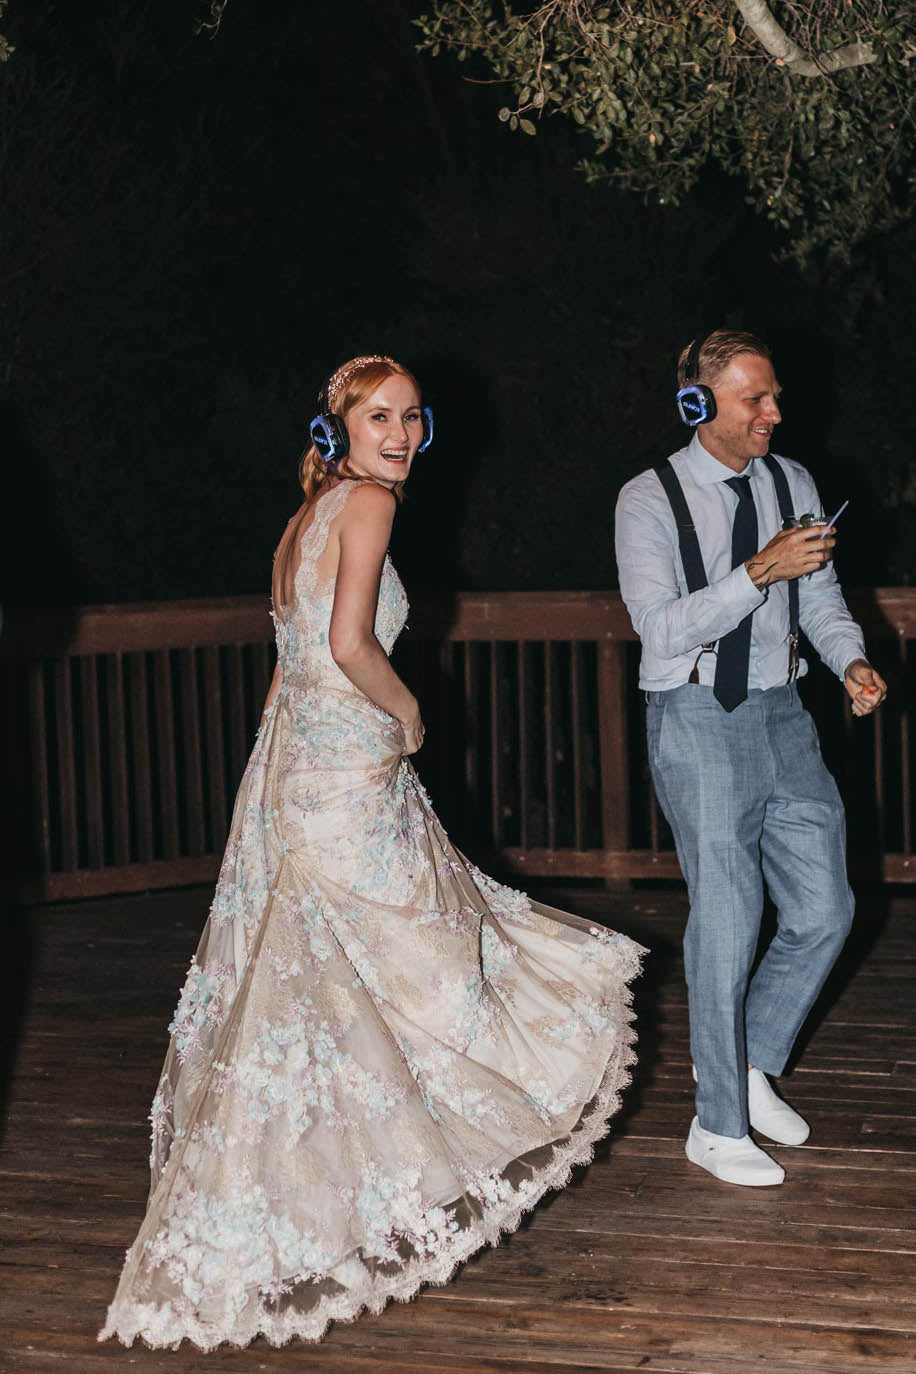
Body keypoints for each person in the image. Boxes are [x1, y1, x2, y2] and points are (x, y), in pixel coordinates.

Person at [99, 354, 644, 1350]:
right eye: (378, 417)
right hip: (346, 773)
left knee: (339, 983)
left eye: (412, 418)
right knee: (420, 959)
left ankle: (329, 1184)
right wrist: (410, 714)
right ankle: (413, 1159)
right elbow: (349, 644)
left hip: (305, 773)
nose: (399, 433)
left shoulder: (301, 521)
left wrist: (268, 791)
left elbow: (284, 675)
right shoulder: (365, 510)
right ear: (339, 431)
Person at [615, 329, 886, 1189]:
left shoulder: (792, 481)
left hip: (784, 710)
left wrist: (848, 661)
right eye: (754, 400)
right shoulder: (647, 500)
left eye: (773, 395)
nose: (775, 412)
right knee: (728, 919)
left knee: (826, 909)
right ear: (699, 404)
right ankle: (716, 1121)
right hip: (696, 713)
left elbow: (824, 599)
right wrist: (756, 572)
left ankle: (752, 1062)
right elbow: (659, 630)